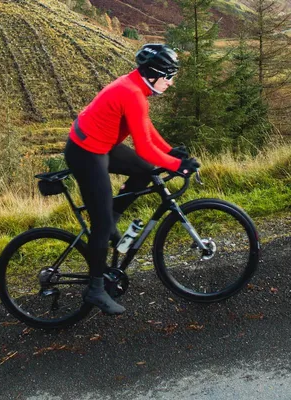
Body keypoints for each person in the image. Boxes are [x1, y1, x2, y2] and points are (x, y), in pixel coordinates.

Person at [65, 44, 200, 315]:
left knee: (146, 170)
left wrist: (170, 151)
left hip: (103, 144)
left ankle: (113, 219)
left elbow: (146, 127)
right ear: (154, 74)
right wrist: (178, 166)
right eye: (169, 76)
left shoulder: (136, 87)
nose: (171, 82)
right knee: (100, 225)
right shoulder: (132, 93)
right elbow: (144, 148)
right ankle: (95, 288)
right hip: (86, 153)